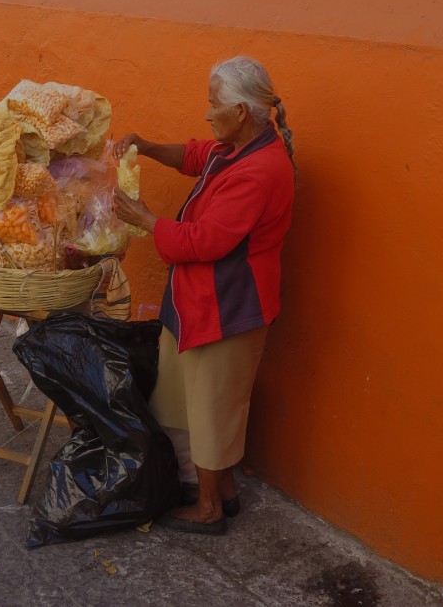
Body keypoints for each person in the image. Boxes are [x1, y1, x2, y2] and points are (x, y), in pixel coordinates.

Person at [112, 56, 295, 535]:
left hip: (230, 305)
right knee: (186, 399)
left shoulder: (261, 171)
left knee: (214, 408)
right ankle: (224, 489)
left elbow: (207, 242)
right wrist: (147, 146)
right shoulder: (235, 146)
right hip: (196, 300)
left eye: (213, 105)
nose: (207, 114)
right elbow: (193, 155)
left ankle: (210, 508)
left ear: (239, 111)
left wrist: (145, 220)